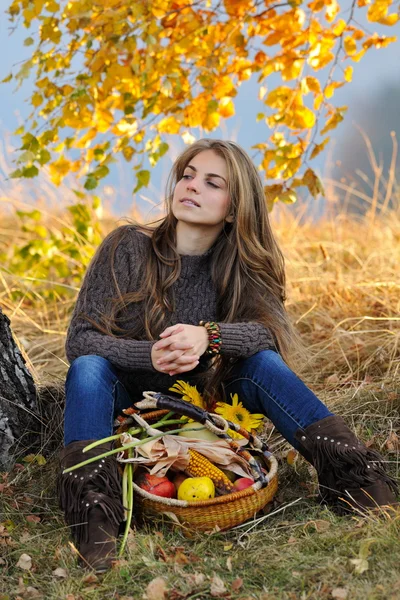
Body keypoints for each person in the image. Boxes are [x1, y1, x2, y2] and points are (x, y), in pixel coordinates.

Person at [58, 139, 397, 572]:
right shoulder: (127, 247)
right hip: (125, 398)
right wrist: (152, 355)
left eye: (212, 182)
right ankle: (95, 516)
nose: (192, 186)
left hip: (209, 406)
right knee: (87, 368)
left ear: (235, 208)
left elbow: (268, 334)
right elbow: (80, 340)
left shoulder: (244, 263)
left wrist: (209, 336)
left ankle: (356, 478)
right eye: (188, 175)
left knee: (264, 364)